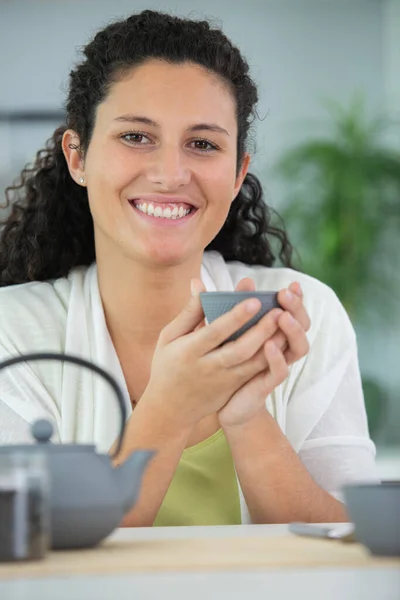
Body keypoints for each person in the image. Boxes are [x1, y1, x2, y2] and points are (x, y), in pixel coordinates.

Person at [0, 10, 378, 527]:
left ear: (238, 170)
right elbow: (27, 560)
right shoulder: (12, 332)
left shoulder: (305, 312)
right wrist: (170, 409)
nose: (170, 174)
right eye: (136, 136)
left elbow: (350, 549)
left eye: (203, 144)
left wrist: (245, 416)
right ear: (77, 155)